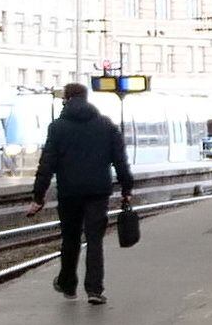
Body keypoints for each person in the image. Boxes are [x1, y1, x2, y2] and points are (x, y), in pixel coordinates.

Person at [29, 82, 134, 306]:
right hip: (98, 191)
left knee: (70, 239)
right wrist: (127, 188)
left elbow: (47, 163)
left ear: (66, 98)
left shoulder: (57, 127)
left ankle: (68, 284)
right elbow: (120, 160)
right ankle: (94, 289)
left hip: (69, 192)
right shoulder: (106, 125)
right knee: (95, 240)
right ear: (86, 98)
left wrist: (38, 196)